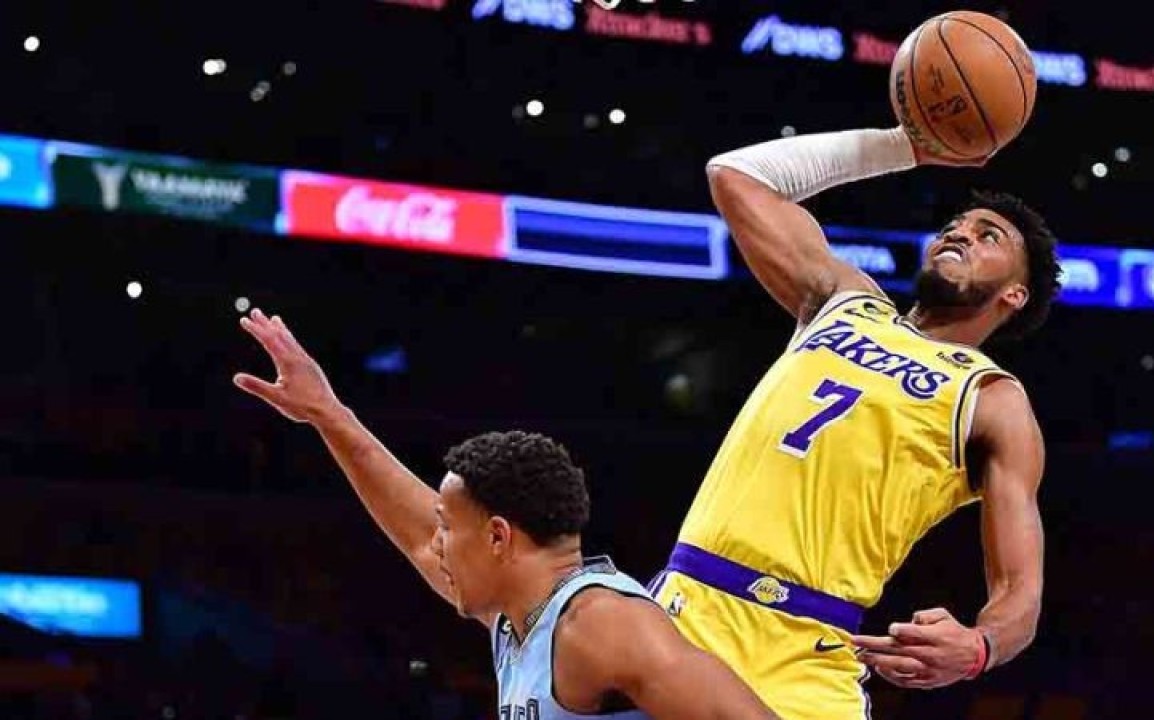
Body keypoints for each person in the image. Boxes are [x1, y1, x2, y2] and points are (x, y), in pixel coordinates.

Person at [647, 124, 1061, 718]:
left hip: (807, 657)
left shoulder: (992, 397)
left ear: (1015, 295)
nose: (959, 234)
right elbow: (735, 174)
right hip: (687, 610)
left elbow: (1021, 594)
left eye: (986, 235)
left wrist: (979, 647)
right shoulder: (844, 299)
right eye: (955, 226)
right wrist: (909, 146)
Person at [232, 309, 781, 720]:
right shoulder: (518, 622)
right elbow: (420, 537)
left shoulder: (599, 624)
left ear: (498, 537)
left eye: (450, 526)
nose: (437, 541)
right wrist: (330, 417)